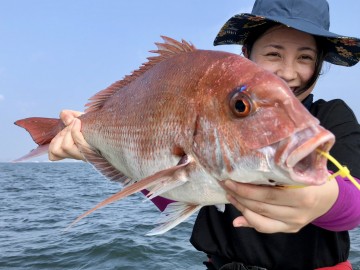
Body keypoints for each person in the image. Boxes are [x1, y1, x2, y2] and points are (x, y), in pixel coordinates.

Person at [48, 0, 360, 269]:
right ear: (246, 54)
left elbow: (356, 199)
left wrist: (325, 199)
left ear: (319, 64)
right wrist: (92, 147)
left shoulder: (331, 116)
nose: (289, 72)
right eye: (274, 54)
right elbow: (167, 186)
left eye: (305, 57)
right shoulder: (208, 110)